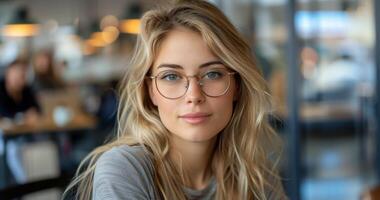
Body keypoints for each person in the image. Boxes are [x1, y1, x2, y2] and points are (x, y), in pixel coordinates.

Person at [64, 0, 286, 199]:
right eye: (171, 76)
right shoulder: (125, 168)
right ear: (151, 92)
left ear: (237, 86)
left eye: (212, 74)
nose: (194, 96)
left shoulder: (256, 174)